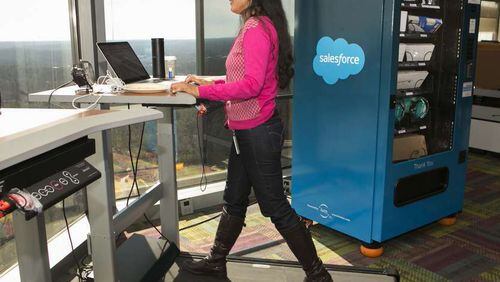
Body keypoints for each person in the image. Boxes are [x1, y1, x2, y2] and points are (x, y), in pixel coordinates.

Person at [171, 0, 332, 281]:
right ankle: (216, 262)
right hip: (247, 131)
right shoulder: (257, 25)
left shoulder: (256, 28)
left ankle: (318, 275)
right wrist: (206, 84)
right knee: (234, 200)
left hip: (257, 132)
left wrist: (201, 92)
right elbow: (241, 76)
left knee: (276, 207)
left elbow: (251, 85)